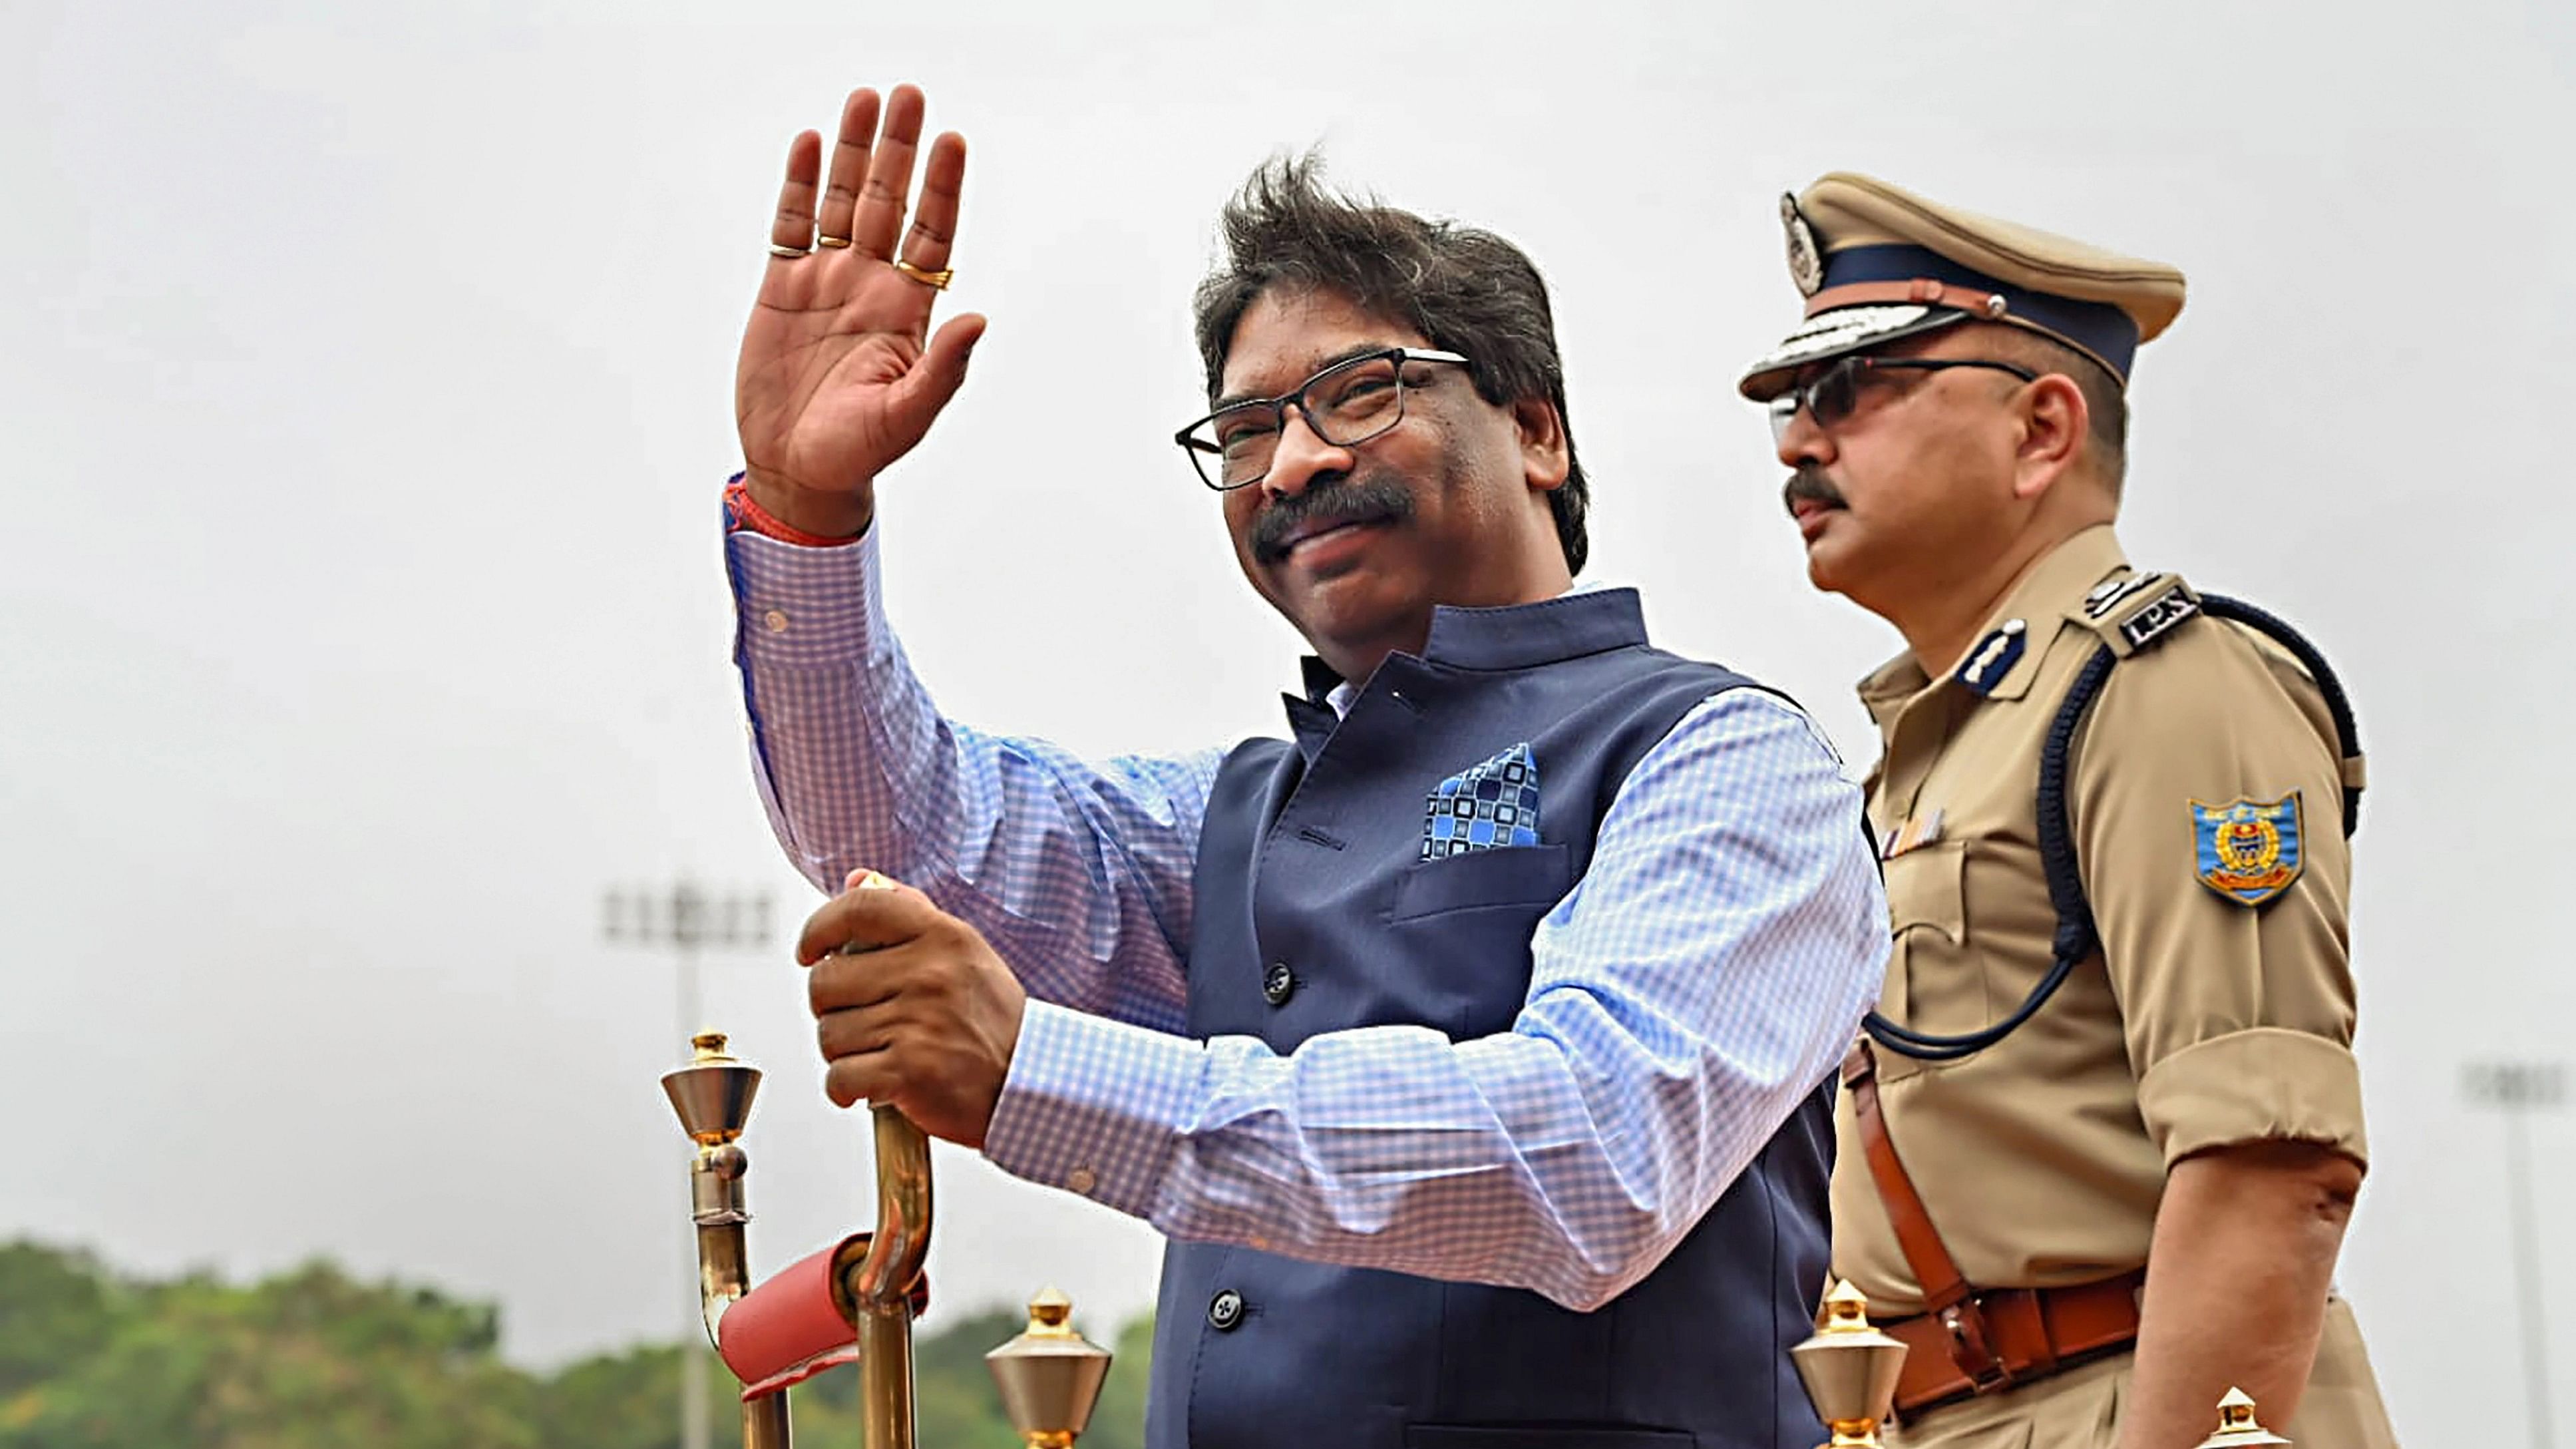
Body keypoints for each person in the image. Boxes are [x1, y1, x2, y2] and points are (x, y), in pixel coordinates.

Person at [718, 85, 1888, 1448]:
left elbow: (1594, 1156)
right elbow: (918, 842)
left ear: (1536, 430)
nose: (1294, 462)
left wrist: (1037, 1075)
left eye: (1359, 392)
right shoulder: (1237, 819)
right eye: (1247, 429)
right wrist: (806, 514)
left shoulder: (1725, 760)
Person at [1740, 172, 2400, 1447]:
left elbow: (2272, 1166)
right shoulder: (1946, 742)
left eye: (1850, 390)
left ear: (2042, 429)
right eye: (1791, 406)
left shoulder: (2162, 687)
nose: (1795, 444)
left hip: (2130, 1401)